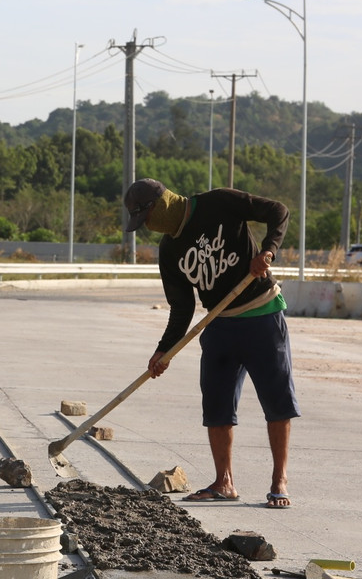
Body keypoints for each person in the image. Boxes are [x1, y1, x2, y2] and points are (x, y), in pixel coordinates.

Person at [124, 178, 299, 508]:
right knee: (216, 406)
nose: (146, 227)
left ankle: (279, 480)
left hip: (262, 315)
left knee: (277, 403)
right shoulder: (169, 250)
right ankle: (224, 482)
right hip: (219, 325)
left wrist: (268, 251)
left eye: (145, 219)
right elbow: (182, 307)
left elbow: (278, 211)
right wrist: (165, 350)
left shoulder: (218, 202)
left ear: (159, 206)